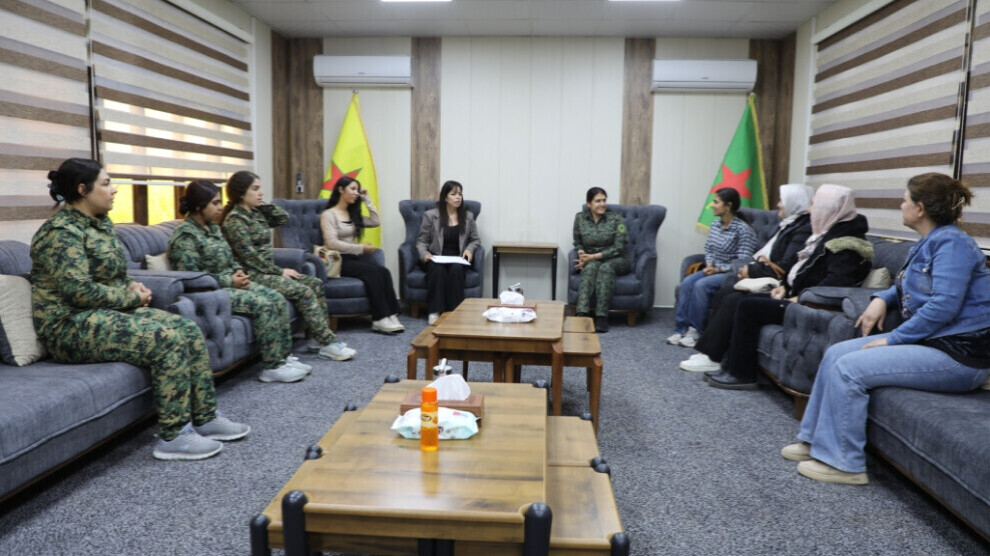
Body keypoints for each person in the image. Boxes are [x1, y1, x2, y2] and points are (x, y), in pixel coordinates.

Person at [31, 159, 249, 461]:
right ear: (82, 190)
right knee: (166, 340)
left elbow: (113, 275)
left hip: (103, 313)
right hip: (68, 325)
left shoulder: (101, 224)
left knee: (187, 328)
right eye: (106, 183)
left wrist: (131, 285)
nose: (114, 190)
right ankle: (175, 436)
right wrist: (130, 299)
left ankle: (206, 416)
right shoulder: (60, 232)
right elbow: (77, 291)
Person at [782, 173, 990, 485]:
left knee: (849, 369)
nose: (900, 205)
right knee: (836, 353)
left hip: (959, 355)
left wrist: (894, 338)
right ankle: (814, 441)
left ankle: (845, 464)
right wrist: (882, 298)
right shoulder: (932, 240)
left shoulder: (952, 244)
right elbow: (913, 284)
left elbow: (943, 304)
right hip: (932, 343)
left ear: (920, 209)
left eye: (905, 200)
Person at [704, 183, 873, 389]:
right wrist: (784, 286)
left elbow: (836, 284)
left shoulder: (846, 245)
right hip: (794, 296)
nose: (810, 210)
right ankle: (724, 363)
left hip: (809, 307)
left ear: (828, 208)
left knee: (747, 306)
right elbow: (798, 269)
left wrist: (799, 297)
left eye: (814, 205)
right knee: (736, 297)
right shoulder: (826, 234)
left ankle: (741, 374)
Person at [168, 180, 312, 383]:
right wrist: (230, 280)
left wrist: (238, 270)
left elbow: (230, 256)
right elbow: (192, 277)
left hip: (233, 280)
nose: (220, 207)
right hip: (211, 291)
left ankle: (283, 356)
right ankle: (272, 367)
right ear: (199, 206)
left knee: (277, 298)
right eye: (215, 203)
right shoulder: (185, 236)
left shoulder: (213, 228)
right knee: (263, 305)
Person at [219, 171, 355, 362]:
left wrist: (262, 204)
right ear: (241, 193)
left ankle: (318, 339)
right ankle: (328, 342)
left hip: (267, 271)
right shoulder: (235, 221)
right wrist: (280, 271)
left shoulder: (256, 212)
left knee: (315, 283)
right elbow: (250, 258)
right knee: (303, 291)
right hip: (252, 274)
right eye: (255, 189)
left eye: (260, 188)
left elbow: (283, 217)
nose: (261, 192)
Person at [679, 184, 813, 372]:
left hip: (778, 285)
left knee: (726, 294)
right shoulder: (788, 225)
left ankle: (711, 352)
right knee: (717, 290)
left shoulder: (802, 230)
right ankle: (708, 348)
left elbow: (783, 266)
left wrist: (749, 271)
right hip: (758, 273)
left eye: (781, 200)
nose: (778, 204)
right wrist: (711, 265)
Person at [667, 187, 758, 347]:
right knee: (687, 283)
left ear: (728, 206)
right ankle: (681, 329)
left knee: (701, 285)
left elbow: (742, 262)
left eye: (716, 202)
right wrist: (709, 264)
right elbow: (709, 248)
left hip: (731, 274)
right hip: (713, 269)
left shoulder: (744, 230)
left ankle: (696, 332)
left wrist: (718, 269)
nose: (712, 205)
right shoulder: (715, 224)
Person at [321, 176, 404, 334]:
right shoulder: (329, 215)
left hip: (353, 258)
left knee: (384, 271)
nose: (356, 193)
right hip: (338, 260)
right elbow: (331, 243)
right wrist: (360, 248)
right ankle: (379, 319)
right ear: (341, 189)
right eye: (352, 189)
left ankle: (391, 314)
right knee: (373, 272)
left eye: (357, 190)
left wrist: (367, 199)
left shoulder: (352, 214)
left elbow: (375, 221)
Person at [416, 180, 481, 325]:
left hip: (457, 258)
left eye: (460, 194)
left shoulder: (468, 216)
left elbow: (475, 239)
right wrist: (424, 254)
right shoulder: (431, 215)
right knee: (437, 270)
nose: (458, 197)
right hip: (435, 256)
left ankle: (454, 312)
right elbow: (422, 241)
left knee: (456, 270)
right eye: (454, 194)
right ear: (445, 197)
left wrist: (469, 250)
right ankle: (435, 311)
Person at [572, 187, 630, 333]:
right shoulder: (580, 218)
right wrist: (582, 255)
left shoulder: (616, 219)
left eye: (604, 200)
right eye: (598, 201)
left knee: (605, 268)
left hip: (617, 259)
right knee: (590, 268)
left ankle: (601, 317)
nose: (602, 204)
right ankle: (582, 314)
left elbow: (619, 247)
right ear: (589, 204)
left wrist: (592, 257)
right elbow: (577, 242)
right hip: (592, 259)